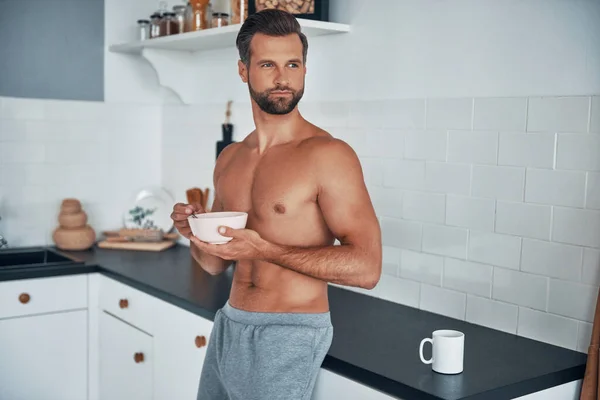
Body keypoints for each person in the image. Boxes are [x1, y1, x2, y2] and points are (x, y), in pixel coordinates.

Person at [170, 8, 382, 400]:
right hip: (230, 325)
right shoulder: (231, 158)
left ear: (304, 69)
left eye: (293, 64)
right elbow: (216, 264)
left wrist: (264, 249)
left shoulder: (328, 155)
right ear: (243, 70)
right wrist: (193, 234)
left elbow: (368, 268)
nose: (283, 78)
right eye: (268, 64)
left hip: (290, 332)